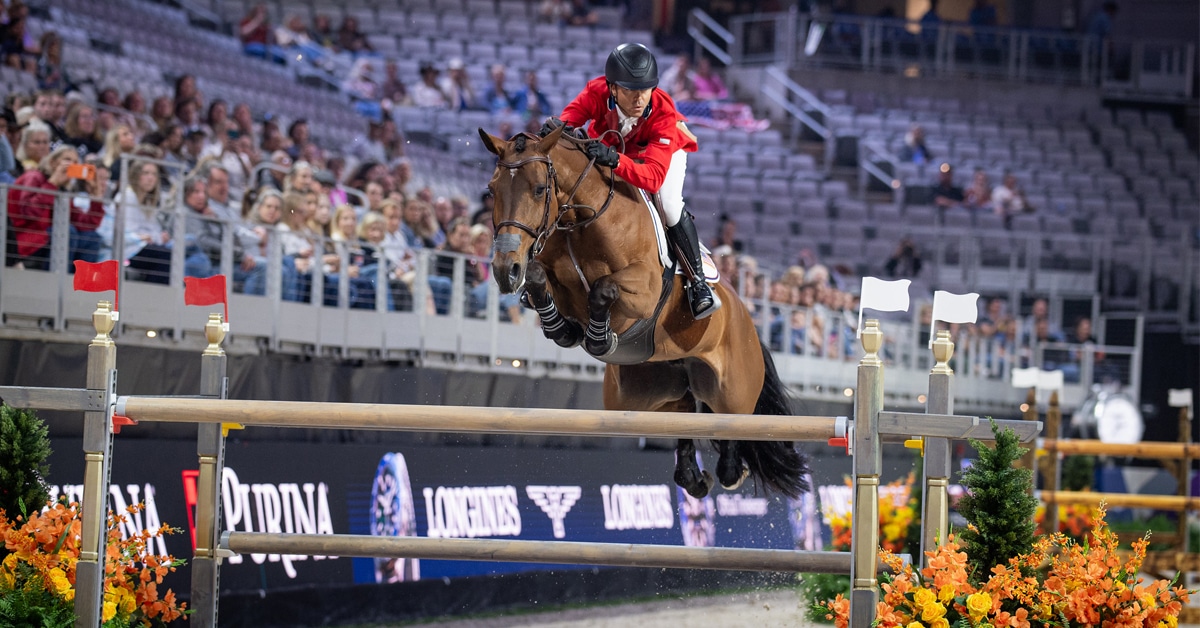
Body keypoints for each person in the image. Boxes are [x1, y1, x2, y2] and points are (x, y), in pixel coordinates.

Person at [550, 42, 717, 319]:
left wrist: (615, 160)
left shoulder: (663, 111)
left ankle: (697, 281)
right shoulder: (596, 91)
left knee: (669, 205)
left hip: (661, 154)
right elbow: (569, 119)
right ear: (613, 88)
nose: (639, 100)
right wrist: (557, 127)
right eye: (630, 91)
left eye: (645, 91)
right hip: (617, 147)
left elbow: (651, 178)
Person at [6, 146, 106, 270]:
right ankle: (58, 281)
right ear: (53, 162)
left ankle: (79, 285)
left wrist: (96, 199)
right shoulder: (34, 176)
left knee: (92, 238)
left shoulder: (62, 189)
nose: (71, 165)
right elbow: (29, 212)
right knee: (66, 231)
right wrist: (52, 183)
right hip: (22, 240)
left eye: (75, 162)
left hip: (44, 240)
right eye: (67, 160)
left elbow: (84, 224)